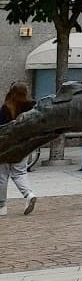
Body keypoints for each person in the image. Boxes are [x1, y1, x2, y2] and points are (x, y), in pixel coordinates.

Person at [0, 84, 38, 215]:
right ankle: (29, 194)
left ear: (12, 92)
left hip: (6, 145)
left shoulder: (6, 108)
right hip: (24, 145)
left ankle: (2, 206)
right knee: (20, 172)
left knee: (2, 175)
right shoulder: (32, 106)